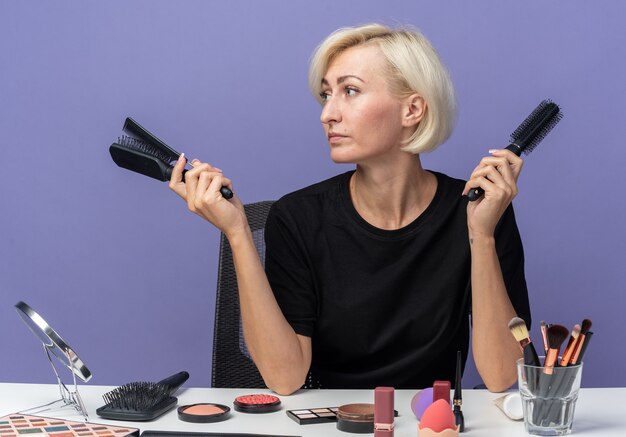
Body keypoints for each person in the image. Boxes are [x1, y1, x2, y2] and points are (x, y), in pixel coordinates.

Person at [169, 23, 531, 395]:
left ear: (412, 109)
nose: (327, 114)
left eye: (350, 91)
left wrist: (482, 236)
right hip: (331, 425)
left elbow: (503, 375)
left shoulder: (480, 212)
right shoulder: (298, 218)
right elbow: (284, 378)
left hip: (433, 424)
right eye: (327, 95)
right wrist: (238, 232)